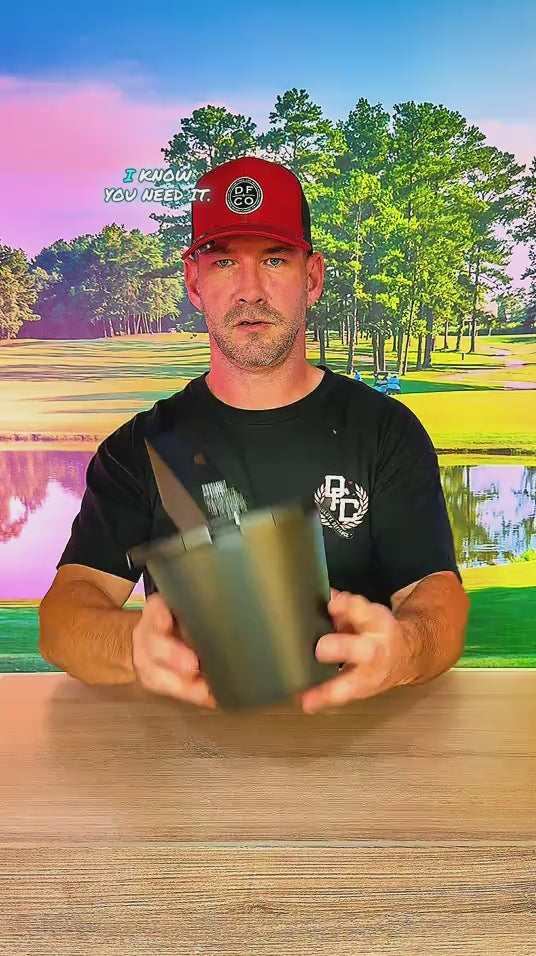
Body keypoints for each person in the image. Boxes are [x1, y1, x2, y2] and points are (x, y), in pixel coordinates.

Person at [38, 156, 470, 715]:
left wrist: (406, 648)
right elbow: (64, 617)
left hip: (361, 742)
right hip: (197, 751)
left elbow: (438, 598)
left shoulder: (387, 431)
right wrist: (133, 644)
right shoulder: (137, 449)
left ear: (311, 278)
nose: (250, 290)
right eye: (223, 262)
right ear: (194, 282)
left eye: (274, 259)